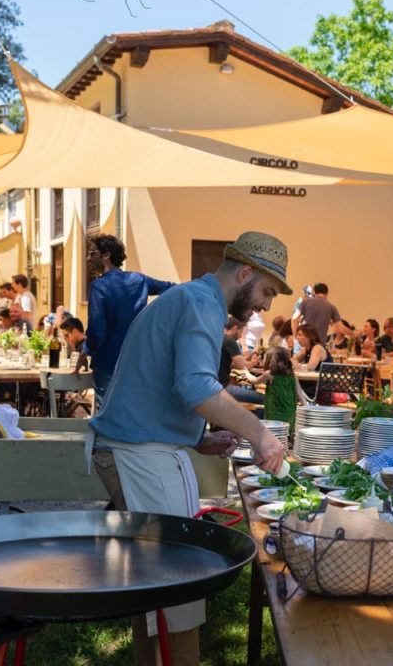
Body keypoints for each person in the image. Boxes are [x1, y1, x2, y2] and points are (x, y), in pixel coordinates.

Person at [88, 231, 289, 666]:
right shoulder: (199, 302)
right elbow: (195, 386)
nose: (267, 306)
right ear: (245, 272)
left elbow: (160, 382)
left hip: (142, 449)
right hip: (140, 455)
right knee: (176, 595)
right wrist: (261, 434)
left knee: (154, 593)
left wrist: (196, 437)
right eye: (267, 292)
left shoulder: (192, 299)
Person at [84, 234, 176, 402]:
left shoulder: (99, 286)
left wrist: (86, 352)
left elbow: (97, 332)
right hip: (137, 363)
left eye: (92, 252)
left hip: (107, 364)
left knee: (109, 420)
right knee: (131, 416)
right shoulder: (139, 280)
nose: (88, 258)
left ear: (106, 255)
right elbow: (173, 289)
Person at [245, 345, 310, 430]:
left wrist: (246, 372)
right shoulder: (292, 376)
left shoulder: (270, 374)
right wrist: (307, 411)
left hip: (274, 411)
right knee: (286, 432)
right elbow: (300, 395)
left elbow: (255, 380)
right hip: (290, 411)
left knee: (274, 431)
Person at [220, 316, 264, 407]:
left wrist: (249, 358)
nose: (240, 336)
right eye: (241, 332)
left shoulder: (220, 337)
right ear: (235, 329)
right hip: (223, 387)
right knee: (263, 398)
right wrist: (253, 362)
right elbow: (243, 366)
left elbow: (233, 364)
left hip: (216, 385)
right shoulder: (229, 341)